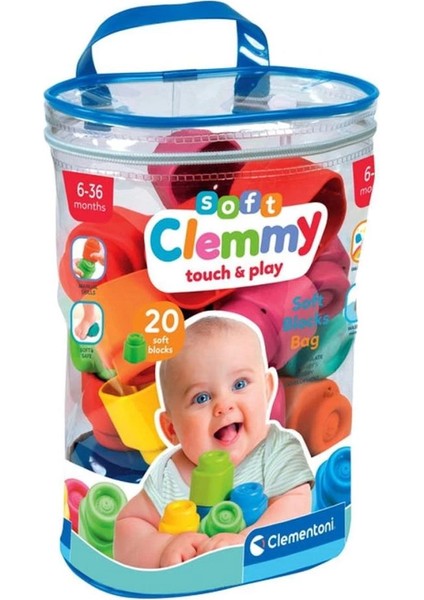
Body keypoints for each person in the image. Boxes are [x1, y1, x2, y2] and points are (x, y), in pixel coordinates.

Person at [114, 311, 314, 568]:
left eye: (239, 384)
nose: (223, 405)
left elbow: (297, 505)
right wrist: (164, 547)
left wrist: (247, 541)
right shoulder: (169, 476)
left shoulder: (278, 450)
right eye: (201, 398)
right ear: (171, 429)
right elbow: (127, 528)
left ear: (267, 390)